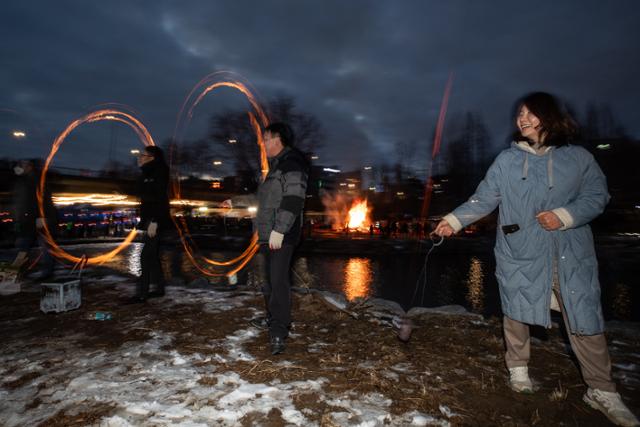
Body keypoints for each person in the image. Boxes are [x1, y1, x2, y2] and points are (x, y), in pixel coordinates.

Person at [434, 92, 638, 426]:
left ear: (550, 117)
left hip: (570, 251)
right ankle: (518, 370)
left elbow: (597, 196)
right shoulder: (507, 161)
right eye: (519, 115)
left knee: (584, 316)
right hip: (521, 250)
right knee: (516, 309)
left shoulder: (580, 159)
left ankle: (602, 390)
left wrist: (565, 215)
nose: (522, 119)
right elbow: (484, 198)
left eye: (530, 114)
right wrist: (454, 220)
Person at [224, 122, 309, 355]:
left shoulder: (292, 164)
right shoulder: (276, 167)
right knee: (269, 282)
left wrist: (280, 230)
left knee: (279, 282)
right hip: (268, 234)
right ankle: (273, 319)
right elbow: (262, 199)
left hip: (282, 234)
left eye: (266, 139)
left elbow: (294, 199)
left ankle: (279, 331)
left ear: (278, 139)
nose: (263, 143)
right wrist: (236, 202)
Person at [127, 145, 171, 304]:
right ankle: (159, 289)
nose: (139, 157)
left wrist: (154, 222)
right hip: (150, 220)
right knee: (152, 256)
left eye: (143, 155)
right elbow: (143, 194)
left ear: (152, 158)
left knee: (145, 256)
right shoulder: (147, 173)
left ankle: (142, 294)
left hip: (155, 220)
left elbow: (159, 199)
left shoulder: (159, 173)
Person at [11, 159, 57, 280]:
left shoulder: (37, 181)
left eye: (23, 165)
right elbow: (19, 202)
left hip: (38, 220)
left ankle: (47, 272)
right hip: (26, 221)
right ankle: (18, 273)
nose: (20, 167)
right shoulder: (21, 181)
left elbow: (45, 201)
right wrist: (17, 219)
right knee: (23, 247)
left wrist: (43, 217)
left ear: (30, 167)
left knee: (44, 248)